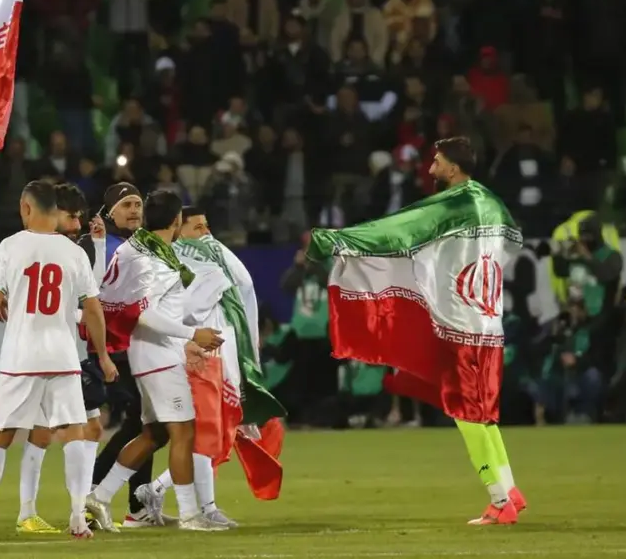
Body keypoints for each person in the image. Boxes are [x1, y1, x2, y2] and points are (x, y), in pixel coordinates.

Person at [308, 137, 528, 525]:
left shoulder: (451, 205)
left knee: (466, 416)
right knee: (483, 415)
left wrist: (338, 239)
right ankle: (510, 490)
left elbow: (398, 230)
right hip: (488, 323)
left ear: (454, 169)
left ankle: (498, 501)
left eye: (437, 162)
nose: (431, 169)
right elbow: (512, 245)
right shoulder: (493, 204)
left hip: (459, 325)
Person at [0, 180, 112, 539]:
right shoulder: (73, 252)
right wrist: (102, 355)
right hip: (63, 355)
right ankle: (78, 517)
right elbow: (93, 310)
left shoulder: (11, 245)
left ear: (26, 207)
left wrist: (1, 298)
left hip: (22, 356)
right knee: (74, 433)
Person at [134, 207, 285, 526]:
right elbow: (178, 310)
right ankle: (201, 508)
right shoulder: (176, 263)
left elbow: (243, 290)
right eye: (197, 227)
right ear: (179, 230)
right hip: (198, 353)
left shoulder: (207, 261)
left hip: (219, 351)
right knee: (208, 431)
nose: (206, 234)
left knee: (216, 432)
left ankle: (160, 491)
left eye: (207, 226)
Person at [85, 190, 226, 532]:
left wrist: (184, 342)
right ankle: (191, 514)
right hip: (157, 355)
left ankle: (99, 497)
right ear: (177, 221)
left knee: (154, 434)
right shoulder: (156, 260)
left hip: (149, 352)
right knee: (184, 432)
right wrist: (191, 334)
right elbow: (144, 314)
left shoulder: (141, 248)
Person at [15, 182, 116, 534]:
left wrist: (99, 246)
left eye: (79, 217)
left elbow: (91, 294)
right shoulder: (34, 248)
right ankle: (29, 512)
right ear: (52, 213)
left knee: (91, 428)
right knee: (43, 432)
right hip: (42, 355)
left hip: (67, 353)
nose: (77, 224)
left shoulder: (72, 250)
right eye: (71, 216)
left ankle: (81, 506)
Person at [79, 182, 164, 526]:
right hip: (106, 349)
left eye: (137, 205)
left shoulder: (144, 245)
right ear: (110, 211)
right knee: (142, 424)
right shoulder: (93, 244)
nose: (134, 211)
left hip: (137, 346)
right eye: (126, 205)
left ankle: (135, 503)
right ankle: (95, 492)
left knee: (145, 422)